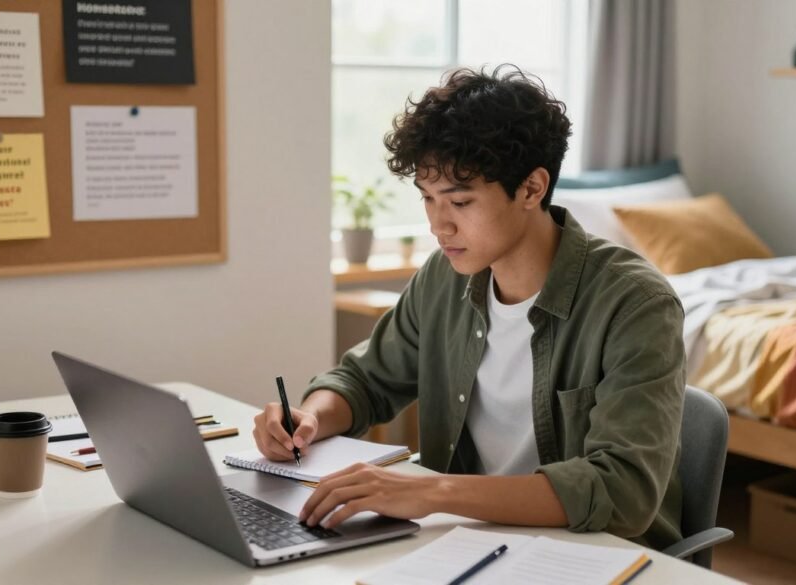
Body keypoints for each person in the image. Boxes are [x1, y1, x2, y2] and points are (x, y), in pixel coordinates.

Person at [252, 65, 686, 550]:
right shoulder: (443, 277)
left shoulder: (635, 304)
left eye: (459, 202)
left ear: (531, 188)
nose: (440, 226)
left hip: (593, 555)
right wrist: (308, 418)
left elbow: (622, 491)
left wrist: (432, 490)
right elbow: (365, 381)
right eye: (428, 199)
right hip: (467, 544)